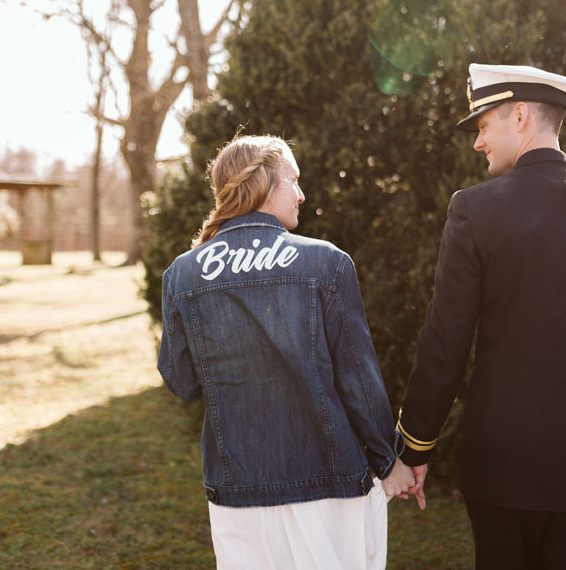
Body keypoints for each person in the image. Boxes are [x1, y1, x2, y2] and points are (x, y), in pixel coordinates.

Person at [395, 64, 566, 569]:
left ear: (519, 116)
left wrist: (415, 447)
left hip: (504, 476)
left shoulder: (474, 210)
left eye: (482, 126)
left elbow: (445, 341)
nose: (478, 143)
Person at [158, 134, 415, 569]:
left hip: (238, 485)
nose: (301, 194)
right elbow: (358, 379)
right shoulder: (327, 263)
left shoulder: (182, 274)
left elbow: (182, 383)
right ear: (261, 185)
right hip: (329, 481)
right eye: (292, 181)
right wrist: (389, 460)